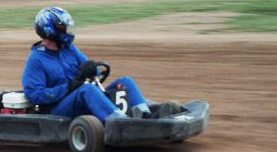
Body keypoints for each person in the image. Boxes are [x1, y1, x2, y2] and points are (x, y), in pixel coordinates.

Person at [22, 6, 175, 122]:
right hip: (57, 109)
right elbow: (35, 95)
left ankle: (145, 116)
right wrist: (68, 87)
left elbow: (90, 70)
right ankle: (119, 122)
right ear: (49, 29)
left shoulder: (69, 49)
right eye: (64, 28)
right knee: (87, 89)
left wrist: (91, 68)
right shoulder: (36, 60)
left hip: (80, 97)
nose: (67, 31)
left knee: (125, 81)